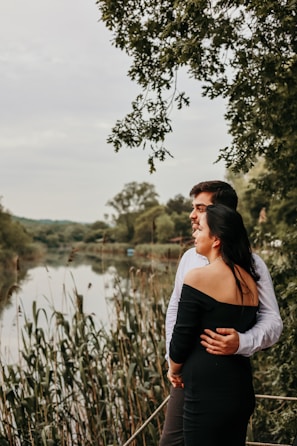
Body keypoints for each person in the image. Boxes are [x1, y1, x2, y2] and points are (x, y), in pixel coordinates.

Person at [159, 180, 283, 446]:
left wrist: (242, 341)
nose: (193, 215)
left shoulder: (252, 264)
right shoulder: (188, 259)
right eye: (193, 208)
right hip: (185, 371)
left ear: (222, 215)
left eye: (201, 209)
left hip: (220, 374)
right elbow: (174, 310)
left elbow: (273, 321)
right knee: (171, 442)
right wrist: (173, 361)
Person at [168, 204, 260, 445]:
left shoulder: (198, 277)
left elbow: (181, 337)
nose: (194, 234)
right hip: (239, 388)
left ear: (216, 239)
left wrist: (174, 369)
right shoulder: (249, 279)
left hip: (206, 392)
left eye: (200, 229)